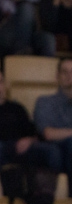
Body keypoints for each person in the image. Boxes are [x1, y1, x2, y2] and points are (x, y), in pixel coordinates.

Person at [33, 57, 72, 194]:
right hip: (54, 148)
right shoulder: (45, 102)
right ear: (57, 76)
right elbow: (48, 134)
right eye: (65, 72)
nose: (69, 76)